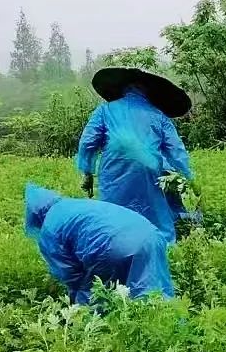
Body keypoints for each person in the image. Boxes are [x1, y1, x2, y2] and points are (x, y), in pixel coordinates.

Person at [76, 66, 193, 243]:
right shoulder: (159, 116)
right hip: (151, 173)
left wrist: (87, 172)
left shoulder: (105, 111)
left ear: (122, 88)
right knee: (156, 220)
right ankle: (162, 252)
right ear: (149, 93)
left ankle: (115, 252)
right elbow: (176, 151)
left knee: (112, 219)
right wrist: (187, 179)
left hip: (113, 171)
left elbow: (88, 142)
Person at [24, 184, 174, 306]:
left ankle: (94, 338)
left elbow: (70, 274)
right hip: (151, 235)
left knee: (98, 300)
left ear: (35, 217)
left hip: (114, 247)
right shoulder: (75, 204)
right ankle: (174, 333)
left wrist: (76, 301)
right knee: (157, 294)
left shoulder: (49, 229)